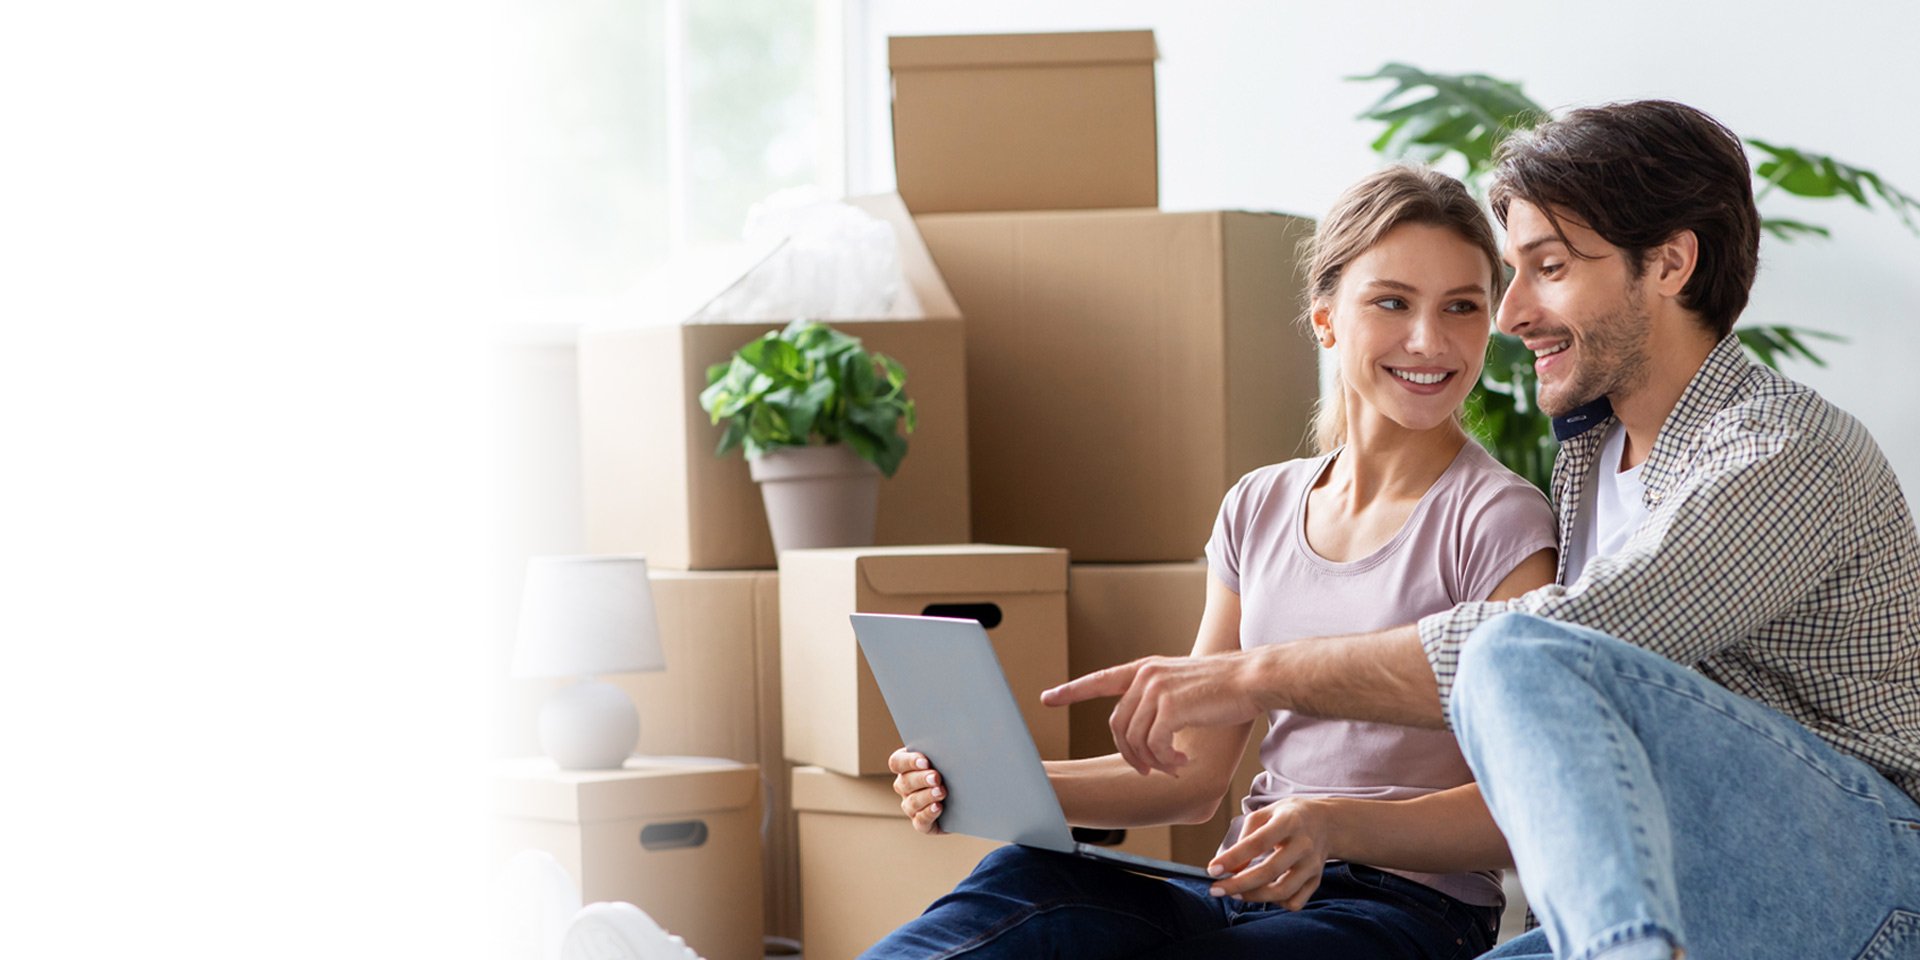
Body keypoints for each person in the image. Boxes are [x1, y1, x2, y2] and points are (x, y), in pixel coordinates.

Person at [1046, 100, 1920, 960]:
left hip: (1863, 880)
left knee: (1521, 647)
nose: (1509, 317)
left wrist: (1249, 677)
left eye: (1549, 267)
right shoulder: (1592, 450)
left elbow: (1556, 653)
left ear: (1669, 264)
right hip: (1695, 892)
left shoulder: (1779, 451)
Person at [866, 164, 1559, 959]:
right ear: (1326, 318)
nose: (1430, 341)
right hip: (1242, 891)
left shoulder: (1499, 520)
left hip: (1404, 912)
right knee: (1022, 882)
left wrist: (1332, 824)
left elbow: (1522, 800)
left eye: (1461, 308)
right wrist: (987, 784)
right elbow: (1194, 778)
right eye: (1392, 302)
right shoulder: (1258, 507)